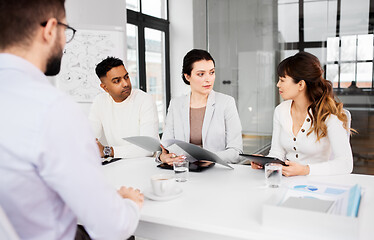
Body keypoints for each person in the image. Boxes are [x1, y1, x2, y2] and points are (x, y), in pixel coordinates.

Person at [0, 1, 143, 239]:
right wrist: (129, 203)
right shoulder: (51, 109)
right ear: (50, 30)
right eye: (66, 31)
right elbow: (113, 227)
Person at [252, 52, 353, 176]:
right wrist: (265, 162)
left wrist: (305, 170)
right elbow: (277, 152)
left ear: (300, 85)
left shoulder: (329, 115)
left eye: (282, 80)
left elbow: (346, 164)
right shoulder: (280, 110)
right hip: (286, 182)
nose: (278, 84)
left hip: (318, 184)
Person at [159, 49, 243, 164]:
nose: (208, 79)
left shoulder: (226, 103)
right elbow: (165, 146)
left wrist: (207, 159)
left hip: (216, 172)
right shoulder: (176, 104)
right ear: (187, 76)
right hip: (183, 171)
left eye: (212, 72)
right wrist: (162, 157)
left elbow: (236, 152)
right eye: (201, 74)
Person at [89, 56, 159, 159]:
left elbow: (148, 148)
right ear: (105, 87)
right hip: (117, 165)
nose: (125, 84)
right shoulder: (100, 101)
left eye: (126, 77)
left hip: (145, 166)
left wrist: (108, 151)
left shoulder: (144, 100)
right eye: (117, 81)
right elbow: (89, 137)